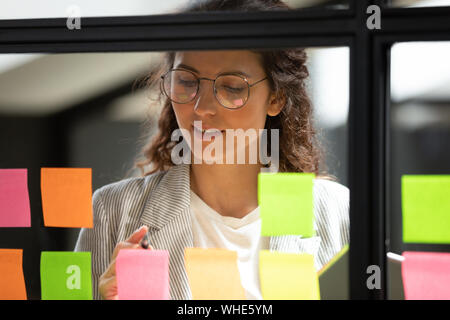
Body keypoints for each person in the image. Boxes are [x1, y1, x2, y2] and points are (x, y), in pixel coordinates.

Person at [74, 0, 349, 300]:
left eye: (231, 87)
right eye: (186, 82)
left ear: (276, 98)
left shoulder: (336, 211)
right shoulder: (112, 211)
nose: (202, 107)